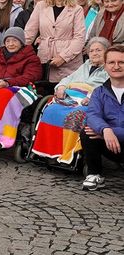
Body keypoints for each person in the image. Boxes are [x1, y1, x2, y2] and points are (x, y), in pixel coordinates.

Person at [31, 37, 110, 167]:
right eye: (91, 51)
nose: (94, 53)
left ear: (107, 52)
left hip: (90, 100)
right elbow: (68, 79)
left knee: (77, 115)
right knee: (51, 110)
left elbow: (107, 89)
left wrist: (93, 98)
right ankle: (47, 151)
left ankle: (69, 154)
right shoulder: (85, 66)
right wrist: (61, 87)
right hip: (70, 97)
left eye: (98, 50)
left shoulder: (108, 70)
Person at [23, 0, 85, 83]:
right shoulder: (41, 6)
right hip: (45, 58)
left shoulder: (77, 9)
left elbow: (79, 38)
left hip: (69, 61)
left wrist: (63, 57)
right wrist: (18, 51)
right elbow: (29, 32)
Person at [80, 44, 124, 190]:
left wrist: (111, 132)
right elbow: (92, 115)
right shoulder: (98, 92)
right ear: (105, 66)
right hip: (110, 144)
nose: (116, 66)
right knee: (87, 131)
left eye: (121, 62)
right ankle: (94, 174)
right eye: (111, 62)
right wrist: (105, 130)